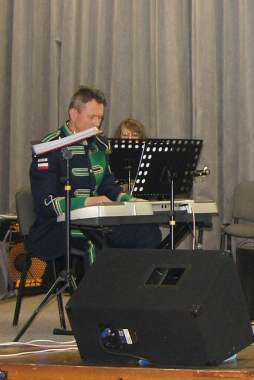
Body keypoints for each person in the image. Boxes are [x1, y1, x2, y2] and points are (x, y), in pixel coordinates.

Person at [28, 86, 161, 266]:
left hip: (95, 223)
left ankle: (132, 284)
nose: (96, 124)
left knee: (149, 233)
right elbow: (44, 204)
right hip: (57, 227)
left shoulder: (98, 146)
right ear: (74, 114)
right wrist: (88, 202)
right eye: (92, 117)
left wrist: (131, 200)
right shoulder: (49, 148)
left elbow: (109, 187)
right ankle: (100, 286)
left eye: (100, 118)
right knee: (99, 241)